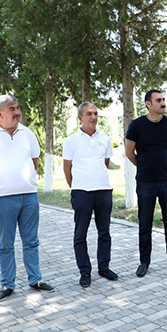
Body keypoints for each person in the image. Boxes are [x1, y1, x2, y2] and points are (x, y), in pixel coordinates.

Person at [0, 95, 54, 302]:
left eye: (18, 108)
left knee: (31, 241)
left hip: (29, 196)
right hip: (1, 198)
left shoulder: (27, 134)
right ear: (0, 113)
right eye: (12, 109)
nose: (17, 112)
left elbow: (34, 161)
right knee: (5, 244)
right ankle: (8, 284)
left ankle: (35, 279)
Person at [125, 89, 167, 277]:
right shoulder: (136, 125)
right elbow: (129, 152)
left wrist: (164, 165)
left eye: (163, 99)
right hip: (145, 182)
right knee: (145, 223)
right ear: (148, 104)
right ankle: (144, 262)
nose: (163, 103)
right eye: (158, 100)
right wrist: (145, 166)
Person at [63, 102, 117, 287]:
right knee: (80, 234)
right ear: (80, 118)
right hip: (81, 193)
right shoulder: (71, 141)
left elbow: (105, 162)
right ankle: (85, 271)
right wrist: (76, 187)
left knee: (105, 232)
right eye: (89, 114)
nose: (93, 117)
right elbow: (67, 168)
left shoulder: (105, 139)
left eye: (95, 113)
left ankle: (104, 267)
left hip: (103, 191)